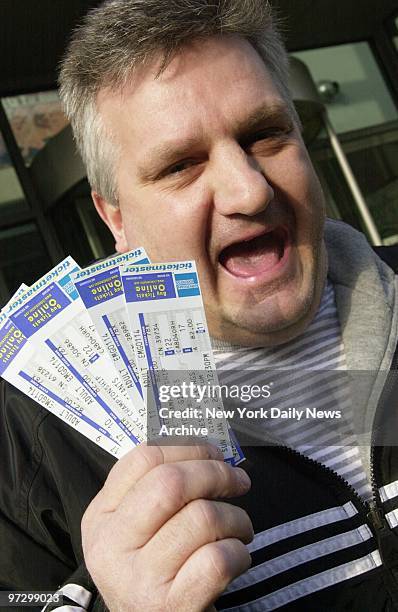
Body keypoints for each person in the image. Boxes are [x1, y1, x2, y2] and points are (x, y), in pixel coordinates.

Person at [1, 1, 398, 610]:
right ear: (117, 219)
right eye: (181, 166)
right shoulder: (38, 445)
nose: (248, 190)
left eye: (266, 135)